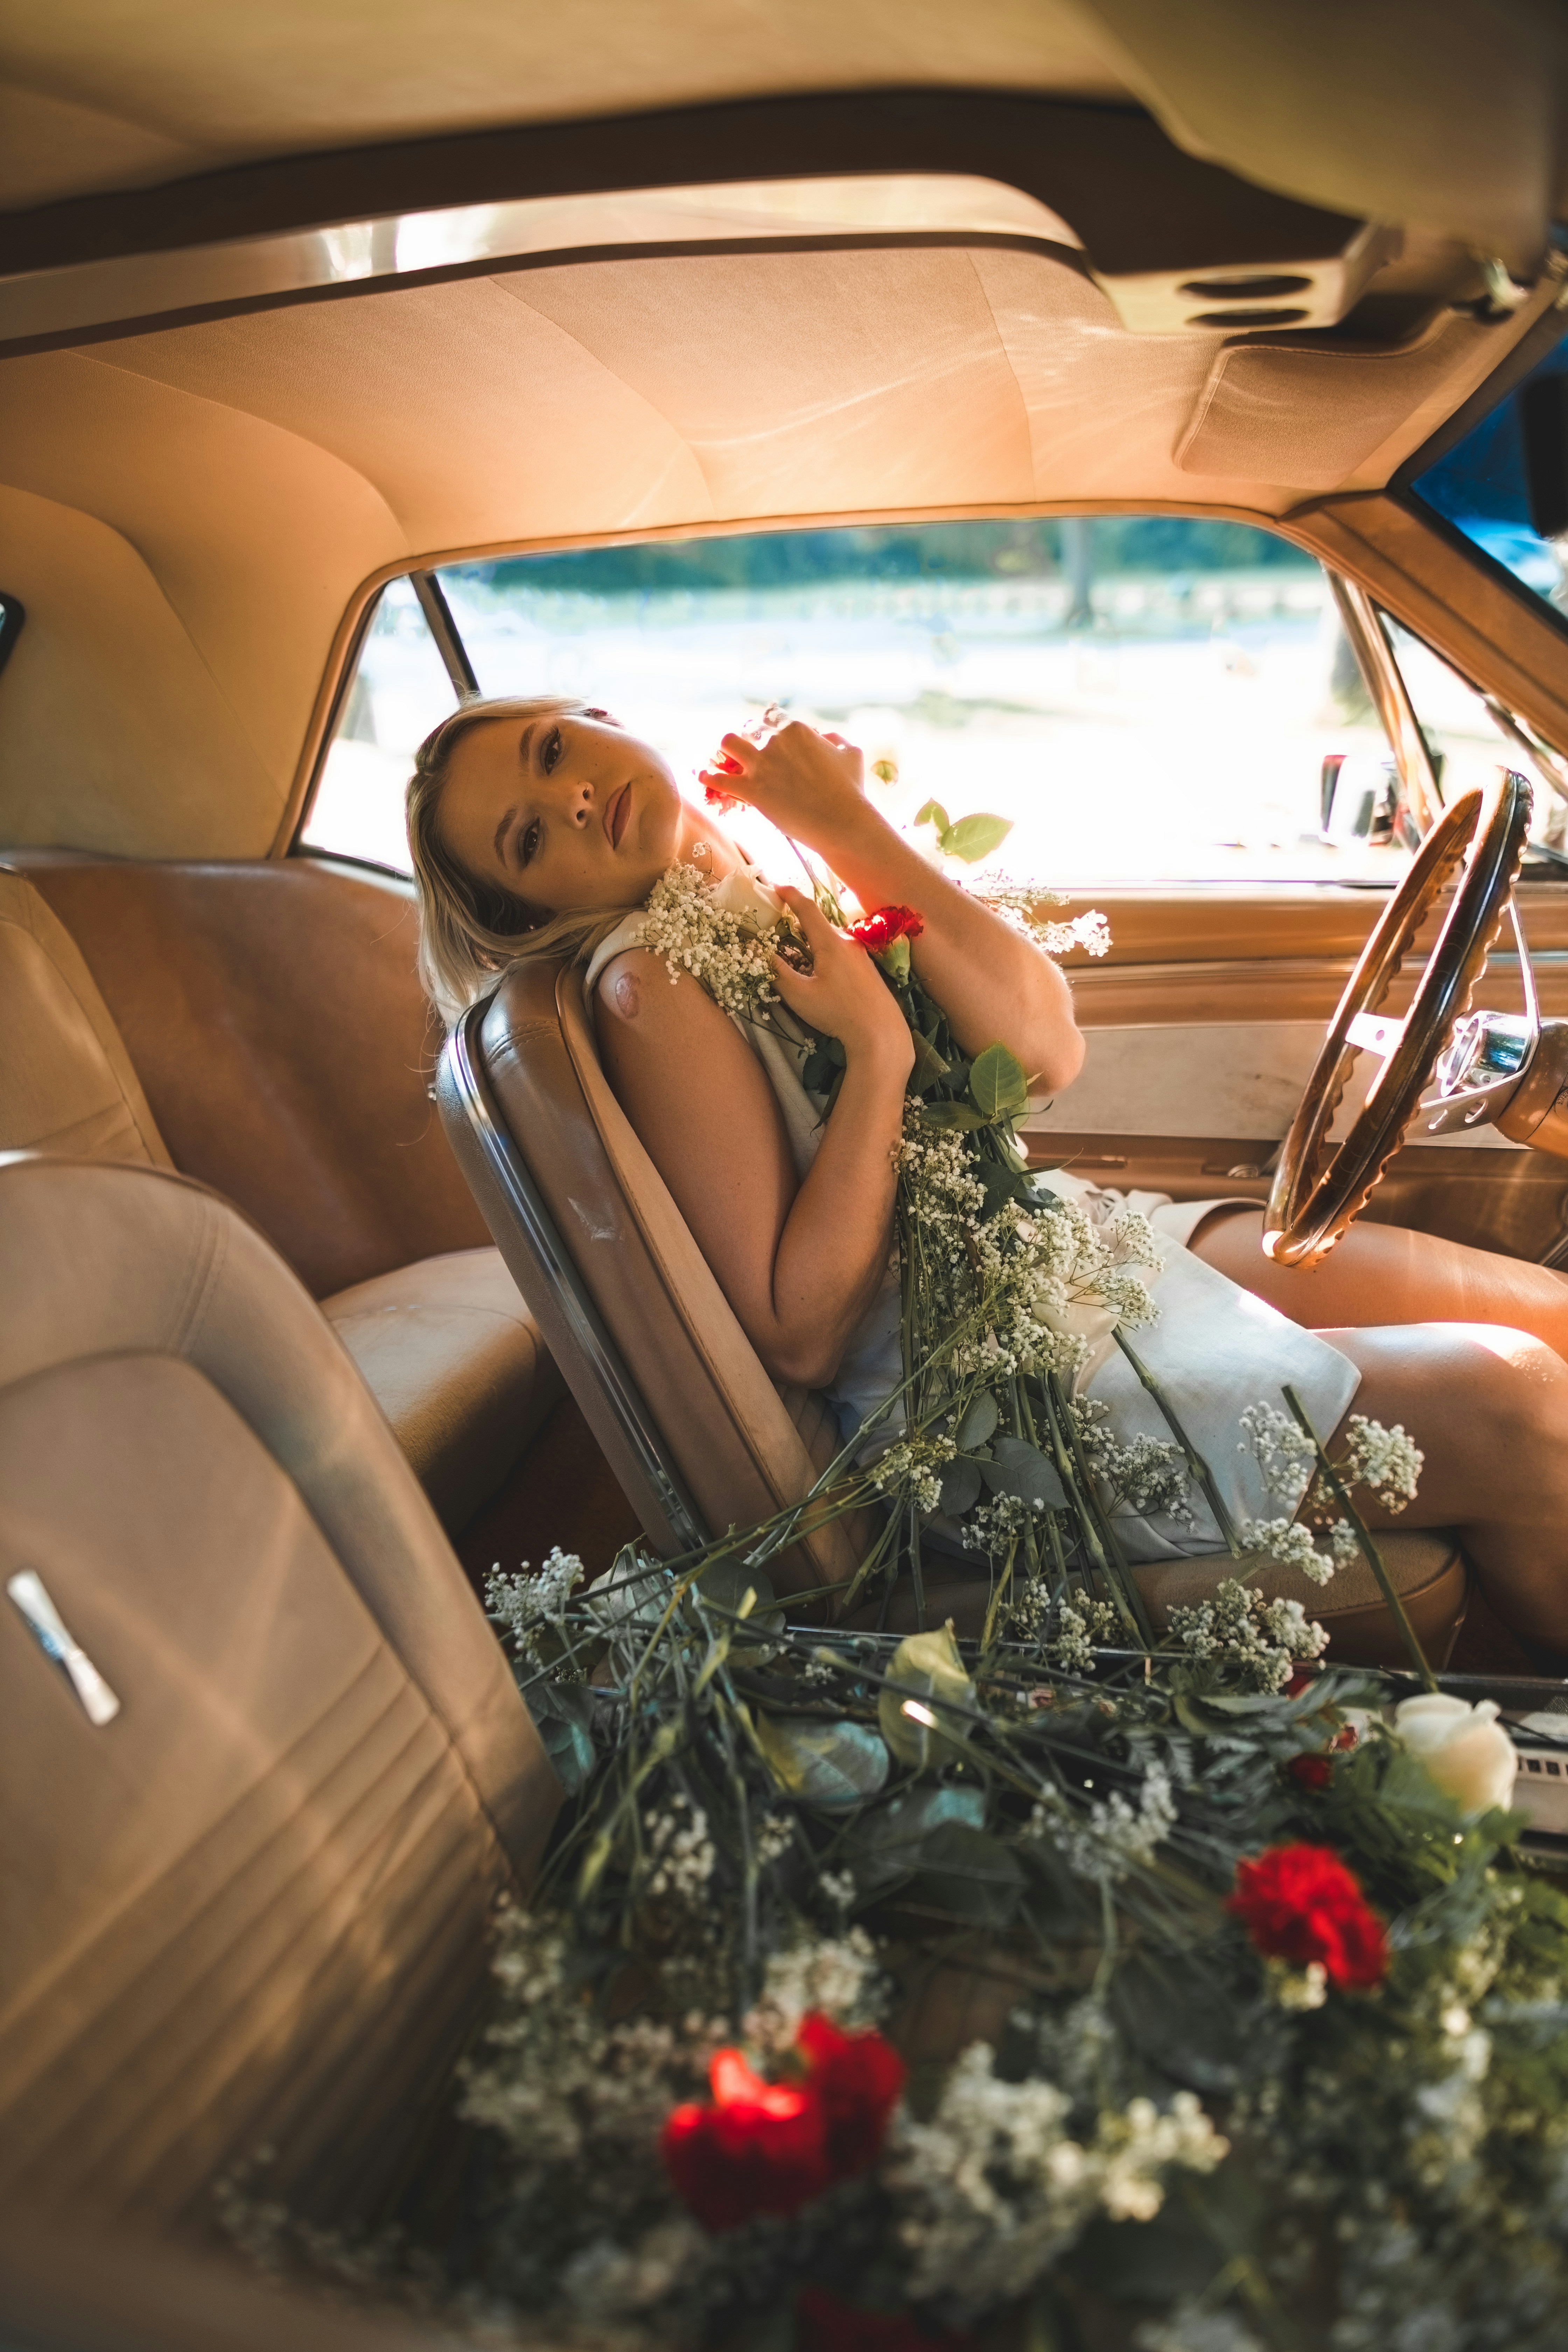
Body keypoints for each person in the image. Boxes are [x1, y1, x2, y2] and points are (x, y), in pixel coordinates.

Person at [407, 694, 1568, 1654]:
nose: (570, 797)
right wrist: (878, 1052)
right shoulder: (650, 985)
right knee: (1515, 1399)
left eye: (551, 752)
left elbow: (1046, 1050)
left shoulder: (745, 880)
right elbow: (800, 1333)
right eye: (529, 838)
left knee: (1544, 1316)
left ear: (601, 720)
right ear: (535, 907)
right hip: (990, 1391)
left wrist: (843, 823)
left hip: (1061, 1256)